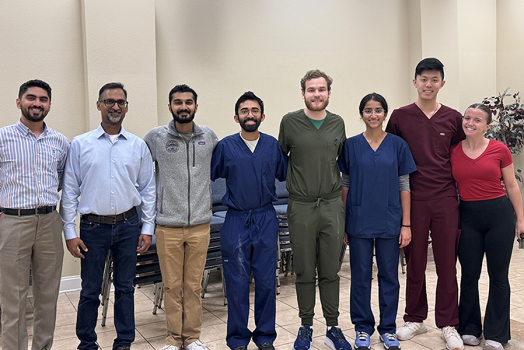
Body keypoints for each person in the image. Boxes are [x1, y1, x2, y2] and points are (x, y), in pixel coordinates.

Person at [61, 82, 156, 350]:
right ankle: (87, 344)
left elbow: (149, 189)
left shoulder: (138, 145)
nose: (115, 106)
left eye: (121, 102)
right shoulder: (80, 144)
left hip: (129, 226)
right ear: (99, 105)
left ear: (126, 107)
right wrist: (70, 232)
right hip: (93, 227)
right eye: (109, 101)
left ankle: (124, 342)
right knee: (90, 290)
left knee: (125, 288)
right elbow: (69, 191)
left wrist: (147, 228)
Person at [385, 58, 465, 350]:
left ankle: (448, 323)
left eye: (434, 80)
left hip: (445, 198)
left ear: (442, 83)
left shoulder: (454, 118)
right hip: (413, 199)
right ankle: (415, 318)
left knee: (446, 264)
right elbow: (390, 158)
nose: (428, 84)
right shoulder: (399, 117)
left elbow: (459, 156)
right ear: (414, 82)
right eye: (423, 79)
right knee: (414, 261)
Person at [278, 70, 352, 350]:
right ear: (303, 94)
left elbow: (341, 164)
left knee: (331, 270)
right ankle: (305, 326)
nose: (317, 94)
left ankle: (333, 327)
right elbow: (280, 158)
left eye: (322, 89)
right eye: (311, 90)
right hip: (302, 207)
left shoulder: (337, 124)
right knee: (305, 270)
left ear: (329, 94)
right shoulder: (290, 122)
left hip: (332, 206)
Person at [338, 93, 416, 350]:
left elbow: (404, 185)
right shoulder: (350, 145)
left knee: (389, 277)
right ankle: (362, 328)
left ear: (385, 113)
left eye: (378, 110)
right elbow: (345, 185)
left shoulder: (397, 145)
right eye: (368, 110)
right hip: (358, 220)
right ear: (361, 114)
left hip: (390, 220)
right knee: (360, 276)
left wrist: (406, 224)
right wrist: (345, 221)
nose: (373, 115)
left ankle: (388, 329)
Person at [143, 84, 218, 350]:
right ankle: (174, 339)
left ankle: (193, 338)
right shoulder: (155, 138)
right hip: (167, 226)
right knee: (172, 287)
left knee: (194, 286)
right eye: (178, 102)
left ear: (196, 106)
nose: (183, 107)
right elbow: (140, 176)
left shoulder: (209, 137)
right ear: (170, 106)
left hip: (200, 225)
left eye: (188, 102)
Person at [211, 91, 287, 350]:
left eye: (254, 110)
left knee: (266, 281)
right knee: (237, 282)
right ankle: (238, 339)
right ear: (236, 117)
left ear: (262, 116)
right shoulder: (225, 146)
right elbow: (211, 175)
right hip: (236, 220)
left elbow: (282, 174)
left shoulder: (272, 146)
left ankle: (265, 337)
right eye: (245, 111)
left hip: (266, 217)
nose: (250, 115)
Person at [0, 79, 69, 350]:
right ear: (19, 102)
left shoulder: (60, 141)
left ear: (49, 105)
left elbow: (62, 179)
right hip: (13, 221)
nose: (37, 103)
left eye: (43, 99)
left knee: (47, 296)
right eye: (31, 98)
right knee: (12, 298)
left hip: (50, 221)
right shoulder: (3, 137)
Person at [450, 104, 524, 350]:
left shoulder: (499, 150)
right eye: (467, 118)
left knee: (498, 277)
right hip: (468, 216)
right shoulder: (453, 151)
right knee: (469, 275)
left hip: (499, 217)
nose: (470, 123)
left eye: (477, 120)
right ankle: (469, 328)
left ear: (487, 126)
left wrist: (521, 220)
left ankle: (496, 334)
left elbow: (512, 186)